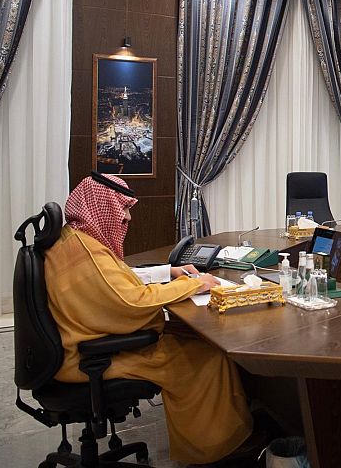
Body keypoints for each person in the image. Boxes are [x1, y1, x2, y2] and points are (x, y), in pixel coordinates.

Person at [44, 172, 254, 466]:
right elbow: (133, 300)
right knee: (206, 357)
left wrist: (168, 272)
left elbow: (117, 279)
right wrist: (195, 284)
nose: (127, 217)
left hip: (83, 346)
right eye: (123, 208)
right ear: (100, 205)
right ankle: (216, 452)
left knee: (190, 339)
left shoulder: (76, 240)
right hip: (91, 358)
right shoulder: (87, 252)